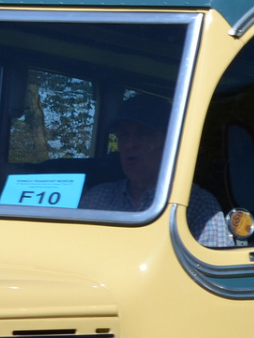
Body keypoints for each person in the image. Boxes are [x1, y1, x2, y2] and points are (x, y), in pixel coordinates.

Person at [79, 97, 231, 245]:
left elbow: (209, 267)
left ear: (168, 141)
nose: (130, 144)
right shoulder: (97, 199)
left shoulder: (196, 205)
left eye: (143, 133)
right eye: (124, 135)